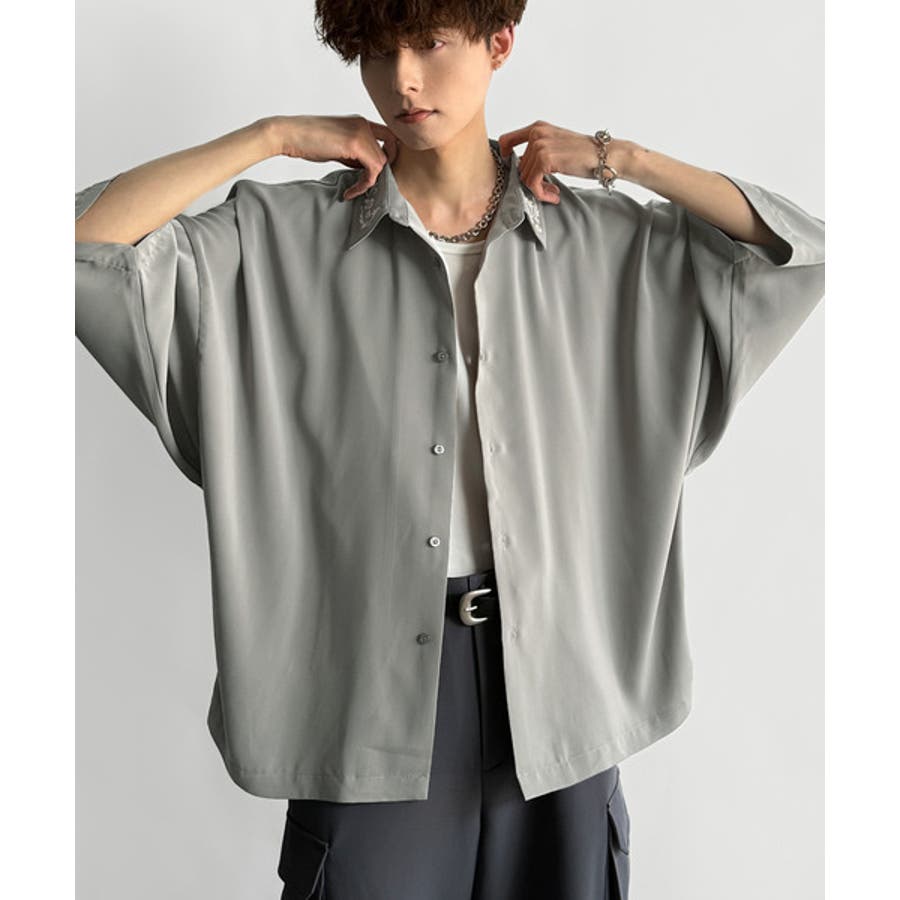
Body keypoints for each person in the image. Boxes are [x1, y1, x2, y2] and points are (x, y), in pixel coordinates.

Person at [74, 1, 825, 898]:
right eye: (377, 51)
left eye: (431, 42)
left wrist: (619, 158)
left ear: (499, 42)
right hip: (371, 689)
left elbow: (795, 255)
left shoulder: (600, 241)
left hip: (557, 683)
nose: (403, 79)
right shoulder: (277, 239)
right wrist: (270, 136)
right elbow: (73, 249)